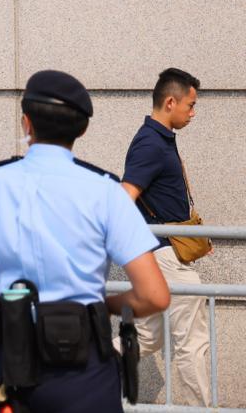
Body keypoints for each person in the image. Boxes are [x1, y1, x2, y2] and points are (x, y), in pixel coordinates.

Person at [0, 70, 171, 413]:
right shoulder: (106, 191)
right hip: (85, 369)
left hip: (10, 364)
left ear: (26, 123)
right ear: (82, 129)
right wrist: (104, 304)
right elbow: (154, 295)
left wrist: (8, 287)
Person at [120, 68, 211, 406]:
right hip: (164, 255)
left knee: (148, 337)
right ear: (170, 102)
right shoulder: (150, 144)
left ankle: (79, 370)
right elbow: (124, 199)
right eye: (190, 105)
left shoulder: (159, 139)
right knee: (193, 340)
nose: (193, 112)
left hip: (163, 251)